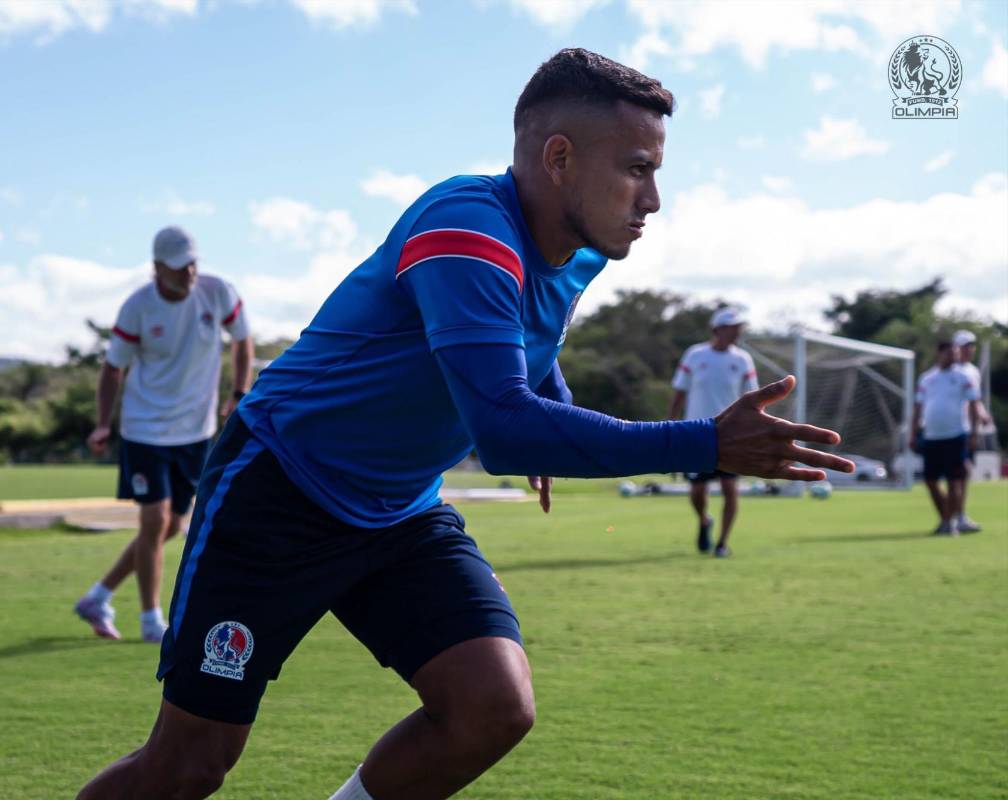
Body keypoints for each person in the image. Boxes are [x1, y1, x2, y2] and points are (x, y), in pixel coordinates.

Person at [77, 49, 851, 800]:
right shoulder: (465, 227)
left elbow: (527, 337)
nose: (652, 200)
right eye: (638, 169)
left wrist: (556, 401)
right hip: (281, 490)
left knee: (492, 707)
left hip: (399, 509)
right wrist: (707, 442)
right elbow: (504, 434)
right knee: (188, 769)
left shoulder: (578, 249)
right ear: (558, 158)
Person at [74, 225, 253, 643]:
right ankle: (152, 621)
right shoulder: (137, 307)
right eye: (178, 267)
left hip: (195, 431)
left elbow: (242, 339)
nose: (188, 273)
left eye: (192, 263)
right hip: (144, 429)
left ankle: (98, 596)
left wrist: (239, 393)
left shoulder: (218, 292)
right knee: (154, 522)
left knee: (171, 525)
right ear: (157, 268)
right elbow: (112, 368)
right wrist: (103, 423)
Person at [667, 307, 759, 558]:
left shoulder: (742, 360)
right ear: (717, 330)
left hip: (730, 435)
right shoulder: (695, 355)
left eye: (739, 327)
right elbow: (679, 393)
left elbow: (753, 398)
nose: (737, 331)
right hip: (695, 433)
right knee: (697, 492)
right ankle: (705, 521)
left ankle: (722, 543)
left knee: (730, 488)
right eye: (732, 327)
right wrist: (670, 428)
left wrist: (753, 431)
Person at [912, 341, 980, 536]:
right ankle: (946, 519)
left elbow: (974, 405)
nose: (955, 357)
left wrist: (974, 433)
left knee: (954, 480)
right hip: (931, 436)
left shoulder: (963, 377)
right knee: (931, 480)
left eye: (957, 354)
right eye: (951, 353)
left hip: (956, 435)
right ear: (940, 354)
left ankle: (950, 523)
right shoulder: (927, 378)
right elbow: (917, 408)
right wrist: (913, 433)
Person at [951, 329, 988, 531]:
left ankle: (959, 516)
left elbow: (975, 400)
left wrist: (981, 414)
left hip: (965, 429)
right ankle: (953, 517)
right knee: (955, 473)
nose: (969, 349)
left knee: (962, 472)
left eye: (971, 346)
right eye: (965, 346)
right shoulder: (948, 369)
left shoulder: (973, 371)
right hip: (949, 430)